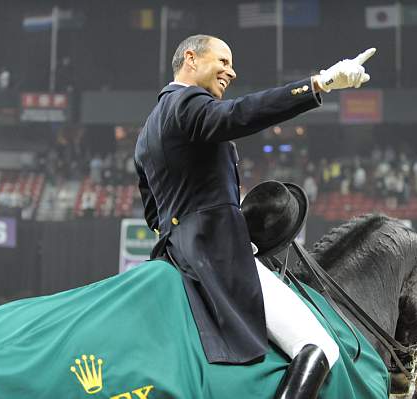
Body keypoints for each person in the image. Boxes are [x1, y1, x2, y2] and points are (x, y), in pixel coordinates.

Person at [134, 34, 374, 398]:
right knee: (319, 345)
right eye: (223, 61)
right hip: (217, 256)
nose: (231, 71)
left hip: (176, 254)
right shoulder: (188, 103)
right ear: (191, 59)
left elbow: (154, 213)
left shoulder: (147, 130)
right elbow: (239, 114)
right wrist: (318, 83)